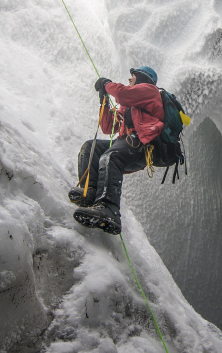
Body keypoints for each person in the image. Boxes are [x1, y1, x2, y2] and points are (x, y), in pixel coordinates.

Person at [69, 65, 164, 235]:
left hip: (140, 144)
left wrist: (107, 84)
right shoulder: (131, 105)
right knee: (91, 147)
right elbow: (107, 127)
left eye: (133, 76)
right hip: (127, 142)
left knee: (111, 156)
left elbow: (122, 94)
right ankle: (89, 191)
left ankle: (109, 209)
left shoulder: (150, 91)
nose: (130, 79)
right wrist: (104, 101)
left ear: (142, 78)